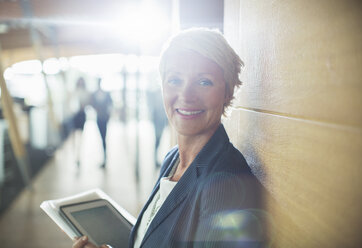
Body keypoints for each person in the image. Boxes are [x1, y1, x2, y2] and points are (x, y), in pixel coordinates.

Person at [73, 28, 268, 248]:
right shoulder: (173, 158)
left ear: (228, 93)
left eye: (204, 82)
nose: (186, 96)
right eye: (175, 80)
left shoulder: (227, 183)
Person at [91, 78, 113, 168]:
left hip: (104, 118)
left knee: (104, 137)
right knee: (102, 137)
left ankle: (105, 157)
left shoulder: (106, 94)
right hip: (99, 118)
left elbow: (110, 104)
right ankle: (104, 156)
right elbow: (92, 104)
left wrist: (108, 114)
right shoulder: (94, 94)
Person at [73, 77, 90, 167]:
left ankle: (78, 154)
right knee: (75, 135)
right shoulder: (74, 92)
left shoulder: (85, 92)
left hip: (82, 114)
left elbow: (88, 103)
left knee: (80, 135)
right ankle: (76, 154)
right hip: (75, 115)